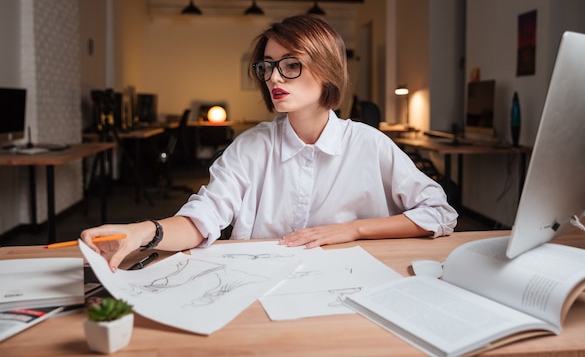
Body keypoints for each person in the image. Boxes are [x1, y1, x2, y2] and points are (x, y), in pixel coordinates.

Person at [81, 14, 457, 272]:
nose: (273, 77)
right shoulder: (251, 147)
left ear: (326, 70)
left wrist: (354, 229)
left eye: (290, 65)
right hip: (263, 284)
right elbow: (204, 218)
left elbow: (439, 213)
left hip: (351, 284)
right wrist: (142, 232)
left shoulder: (369, 144)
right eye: (267, 66)